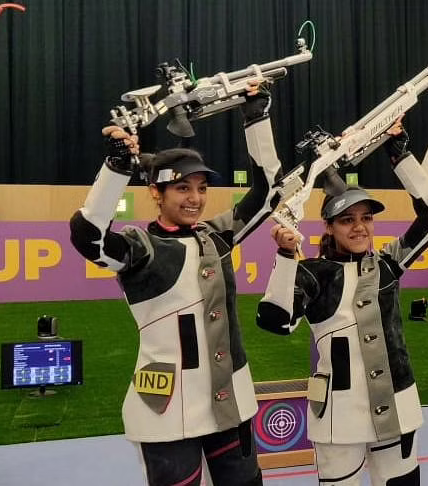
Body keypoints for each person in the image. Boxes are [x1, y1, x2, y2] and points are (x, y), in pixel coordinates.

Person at [69, 83, 281, 485]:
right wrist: (117, 167)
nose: (195, 199)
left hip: (229, 400)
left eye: (201, 189)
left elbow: (268, 192)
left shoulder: (217, 234)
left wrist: (256, 115)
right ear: (156, 192)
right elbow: (87, 236)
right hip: (166, 407)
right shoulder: (140, 247)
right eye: (182, 187)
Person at [255, 106, 428, 486]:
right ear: (330, 227)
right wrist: (286, 256)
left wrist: (399, 152)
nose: (359, 227)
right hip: (338, 417)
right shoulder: (312, 273)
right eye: (348, 220)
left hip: (397, 407)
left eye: (366, 218)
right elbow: (275, 322)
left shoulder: (388, 264)